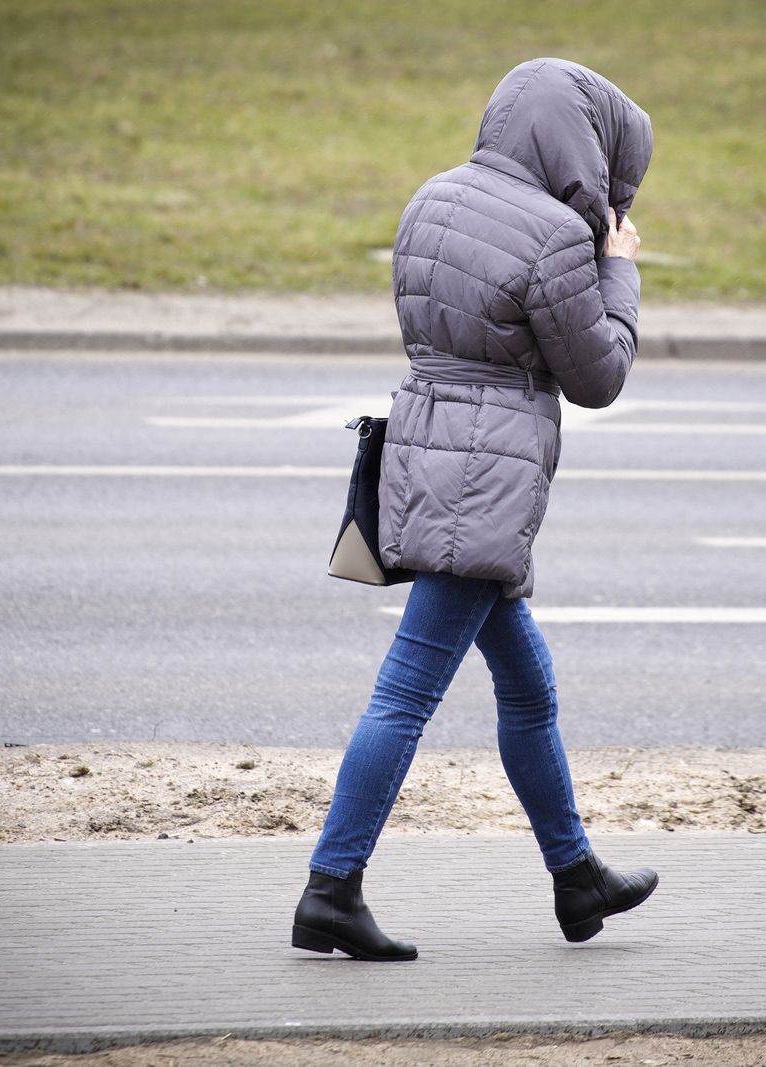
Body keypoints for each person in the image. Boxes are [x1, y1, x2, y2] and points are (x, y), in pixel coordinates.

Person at [293, 58, 656, 962]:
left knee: (527, 687)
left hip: (429, 447)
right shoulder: (554, 237)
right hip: (484, 480)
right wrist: (619, 272)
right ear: (581, 144)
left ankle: (577, 878)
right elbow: (599, 375)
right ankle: (329, 889)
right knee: (407, 692)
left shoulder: (433, 197)